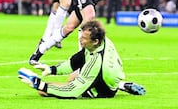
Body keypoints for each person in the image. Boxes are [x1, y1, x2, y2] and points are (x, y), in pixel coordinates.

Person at [18, 19, 146, 98]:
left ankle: (116, 86)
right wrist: (52, 70)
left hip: (104, 90)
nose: (80, 40)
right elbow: (74, 62)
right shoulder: (103, 41)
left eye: (84, 39)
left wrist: (41, 85)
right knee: (73, 75)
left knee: (50, 90)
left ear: (95, 41)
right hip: (111, 74)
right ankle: (121, 85)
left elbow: (72, 91)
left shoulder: (96, 63)